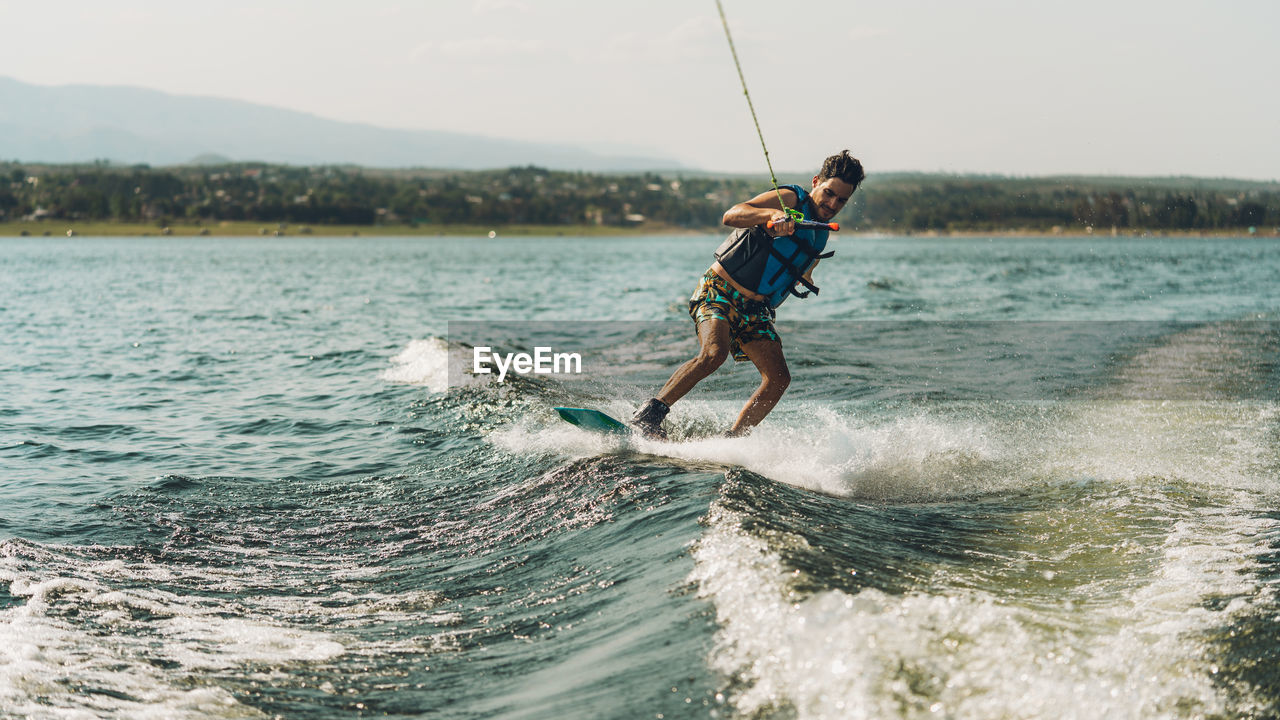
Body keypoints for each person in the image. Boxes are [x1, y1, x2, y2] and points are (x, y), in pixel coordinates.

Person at [631, 150, 865, 439]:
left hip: (754, 310)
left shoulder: (821, 232)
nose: (833, 204)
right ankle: (649, 415)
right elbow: (731, 215)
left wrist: (806, 275)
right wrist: (772, 214)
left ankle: (734, 439)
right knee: (713, 354)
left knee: (778, 379)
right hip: (719, 290)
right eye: (829, 193)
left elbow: (803, 261)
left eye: (842, 199)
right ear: (816, 181)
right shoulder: (790, 198)